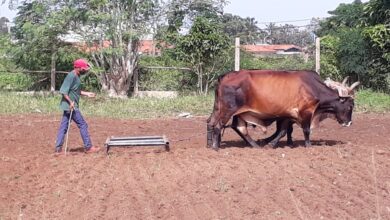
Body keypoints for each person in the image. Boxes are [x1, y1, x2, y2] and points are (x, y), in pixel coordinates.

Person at [54, 58, 99, 153]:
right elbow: (63, 92)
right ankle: (88, 147)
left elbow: (75, 90)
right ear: (78, 68)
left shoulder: (77, 76)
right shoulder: (71, 76)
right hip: (71, 107)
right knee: (83, 124)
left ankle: (58, 148)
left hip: (70, 106)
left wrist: (86, 93)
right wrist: (70, 102)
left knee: (64, 126)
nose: (85, 70)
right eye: (83, 69)